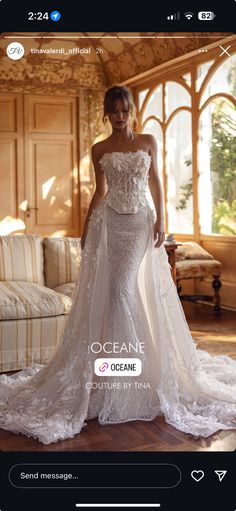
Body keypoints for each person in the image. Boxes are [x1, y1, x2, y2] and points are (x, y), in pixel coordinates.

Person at [0, 85, 235, 445]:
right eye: (114, 111)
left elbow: (157, 182)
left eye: (124, 110)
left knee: (123, 289)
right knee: (116, 291)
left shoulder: (147, 141)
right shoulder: (99, 149)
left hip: (141, 221)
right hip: (110, 222)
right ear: (107, 114)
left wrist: (161, 220)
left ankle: (138, 375)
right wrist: (85, 227)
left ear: (132, 110)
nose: (120, 116)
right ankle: (119, 375)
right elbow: (100, 190)